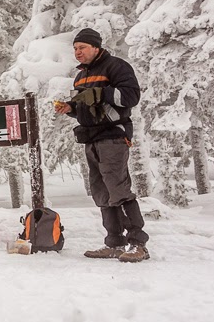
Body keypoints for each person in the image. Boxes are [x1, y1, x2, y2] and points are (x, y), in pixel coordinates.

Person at [54, 28, 150, 262]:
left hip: (113, 137)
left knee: (119, 189)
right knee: (102, 193)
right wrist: (71, 108)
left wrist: (101, 93)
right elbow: (88, 110)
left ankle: (138, 244)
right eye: (75, 48)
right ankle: (114, 243)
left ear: (96, 47)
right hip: (91, 138)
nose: (77, 52)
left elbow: (131, 97)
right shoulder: (81, 76)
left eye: (82, 47)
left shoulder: (116, 66)